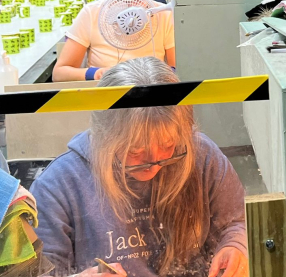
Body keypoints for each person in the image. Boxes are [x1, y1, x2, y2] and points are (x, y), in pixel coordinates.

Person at [31, 57, 249, 277]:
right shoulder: (59, 185)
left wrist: (236, 245)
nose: (152, 164)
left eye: (167, 146)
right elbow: (39, 272)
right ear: (104, 138)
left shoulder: (202, 155)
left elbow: (240, 222)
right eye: (135, 152)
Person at [52, 0, 175, 82]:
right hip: (104, 92)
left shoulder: (163, 14)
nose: (130, 6)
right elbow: (59, 73)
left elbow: (176, 67)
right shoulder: (91, 13)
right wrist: (97, 73)